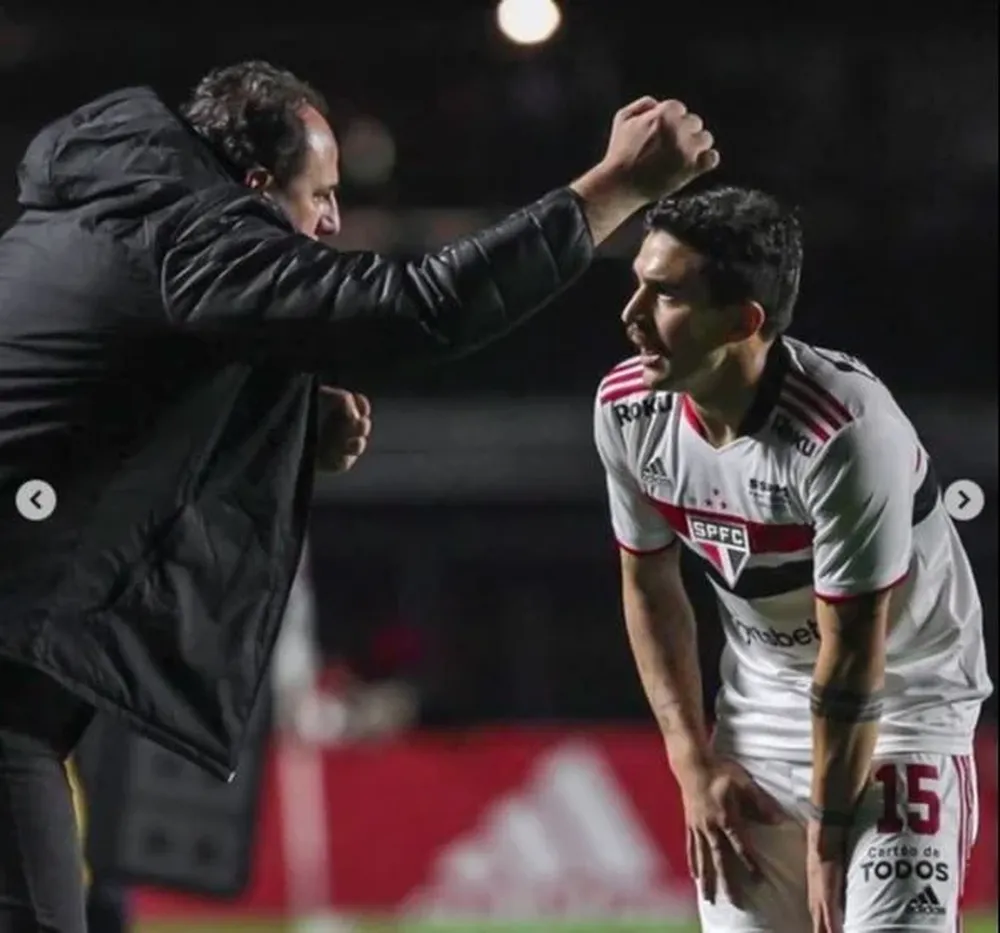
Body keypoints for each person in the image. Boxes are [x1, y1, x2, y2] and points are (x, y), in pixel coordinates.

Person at [0, 57, 718, 931]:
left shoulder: (115, 209)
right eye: (320, 195)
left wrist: (291, 422)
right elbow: (413, 311)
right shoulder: (189, 232)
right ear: (256, 187)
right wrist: (611, 191)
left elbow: (115, 396)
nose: (335, 220)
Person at [592, 185, 991, 933]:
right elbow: (648, 582)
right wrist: (692, 761)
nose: (632, 314)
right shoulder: (625, 409)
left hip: (900, 705)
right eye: (637, 282)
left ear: (743, 321)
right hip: (761, 712)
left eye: (666, 293)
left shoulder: (843, 433)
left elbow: (851, 657)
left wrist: (830, 833)